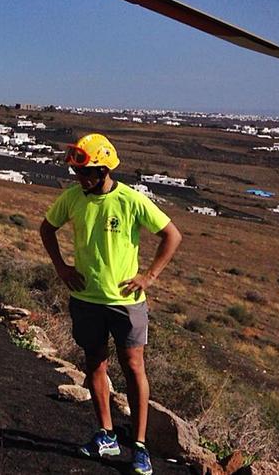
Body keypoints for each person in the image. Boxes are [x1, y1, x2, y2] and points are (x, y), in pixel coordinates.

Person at [39, 134, 181, 475]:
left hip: (125, 301)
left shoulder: (132, 200)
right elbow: (46, 229)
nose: (81, 179)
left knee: (134, 368)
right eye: (78, 173)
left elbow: (172, 235)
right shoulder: (73, 197)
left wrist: (148, 277)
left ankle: (140, 446)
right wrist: (61, 268)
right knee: (95, 365)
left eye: (87, 173)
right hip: (86, 298)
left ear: (105, 170)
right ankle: (106, 434)